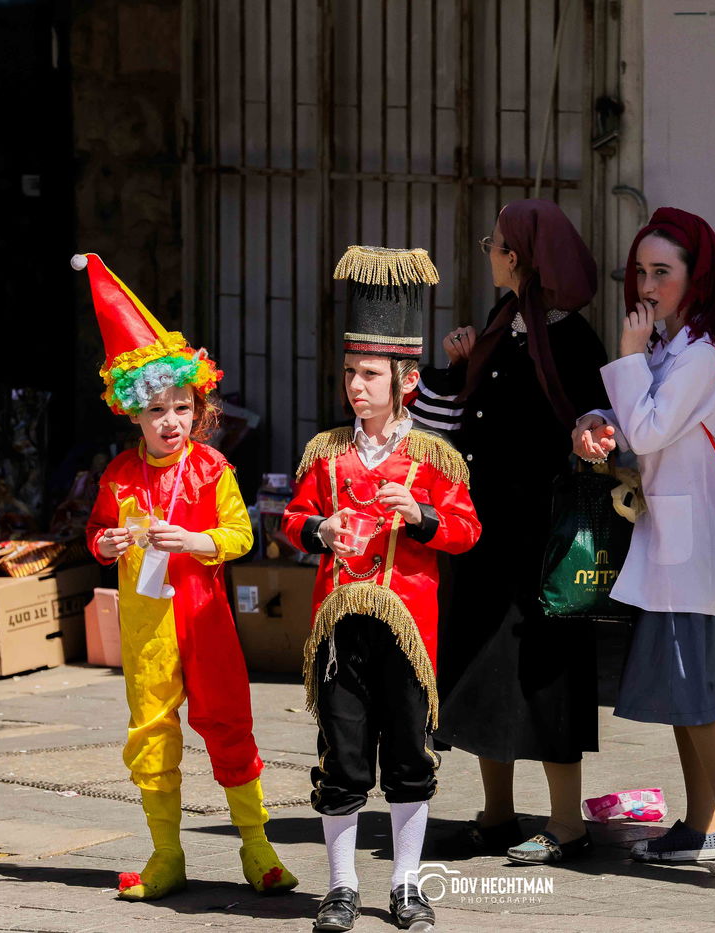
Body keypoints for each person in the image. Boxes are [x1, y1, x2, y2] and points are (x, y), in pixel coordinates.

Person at [77, 253, 297, 901]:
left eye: (180, 407)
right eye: (156, 412)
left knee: (228, 720)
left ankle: (257, 847)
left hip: (205, 617)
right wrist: (108, 540)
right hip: (147, 625)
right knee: (150, 729)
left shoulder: (212, 468)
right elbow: (94, 535)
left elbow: (242, 535)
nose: (170, 421)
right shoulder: (117, 474)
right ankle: (166, 853)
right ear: (133, 415)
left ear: (196, 406)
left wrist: (196, 539)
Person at [282, 245, 481, 932]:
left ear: (406, 379)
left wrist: (421, 515)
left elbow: (466, 529)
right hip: (339, 629)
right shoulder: (325, 452)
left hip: (409, 629)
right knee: (340, 753)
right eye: (348, 373)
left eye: (368, 374)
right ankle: (339, 886)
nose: (355, 386)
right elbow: (291, 518)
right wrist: (318, 530)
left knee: (408, 753)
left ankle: (404, 883)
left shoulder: (433, 456)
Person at [572, 207, 715, 875]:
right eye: (640, 272)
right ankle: (698, 822)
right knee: (685, 695)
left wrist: (625, 360)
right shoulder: (670, 346)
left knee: (696, 691)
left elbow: (649, 430)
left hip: (693, 543)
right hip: (671, 540)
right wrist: (597, 420)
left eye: (663, 272)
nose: (647, 286)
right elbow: (633, 423)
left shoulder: (703, 356)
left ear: (695, 278)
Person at [421, 200, 609, 865]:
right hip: (483, 536)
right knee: (482, 674)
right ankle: (497, 814)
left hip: (543, 542)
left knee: (546, 676)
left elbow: (596, 421)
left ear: (521, 258)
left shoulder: (573, 339)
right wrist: (460, 362)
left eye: (494, 243)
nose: (489, 252)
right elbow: (466, 416)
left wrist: (591, 433)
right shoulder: (506, 323)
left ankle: (568, 824)